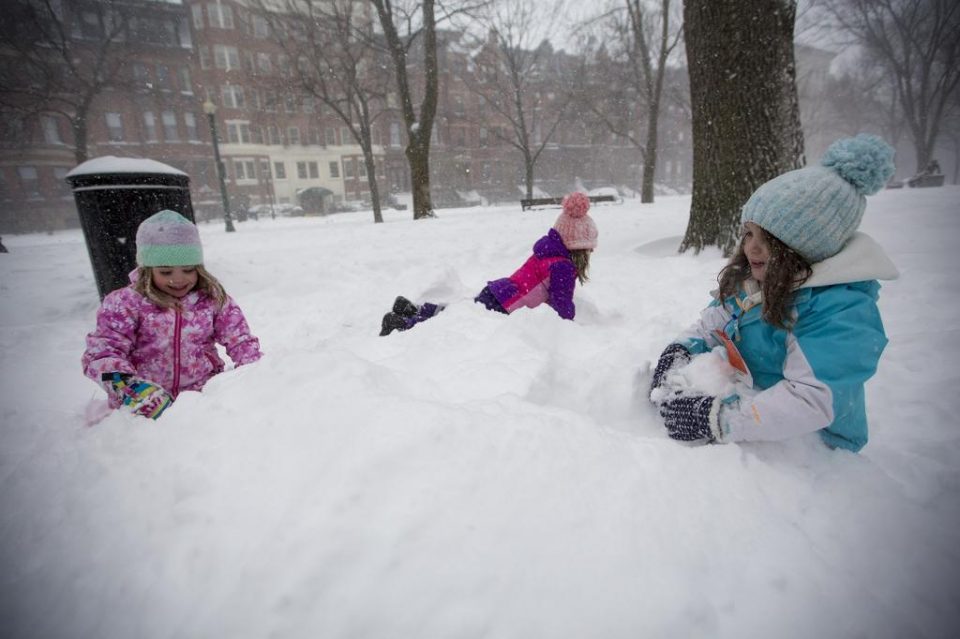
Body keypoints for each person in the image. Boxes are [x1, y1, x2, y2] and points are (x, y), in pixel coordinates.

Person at [649, 134, 898, 452]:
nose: (751, 247)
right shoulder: (758, 283)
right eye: (749, 232)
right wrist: (680, 349)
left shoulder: (839, 312)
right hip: (755, 417)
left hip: (813, 452)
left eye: (769, 238)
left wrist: (717, 418)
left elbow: (812, 400)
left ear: (808, 245)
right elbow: (716, 319)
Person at [82, 209, 262, 419]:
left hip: (203, 400)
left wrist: (256, 376)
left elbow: (240, 340)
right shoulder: (125, 304)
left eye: (188, 270)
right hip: (142, 407)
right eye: (166, 272)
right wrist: (130, 387)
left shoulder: (211, 299)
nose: (178, 279)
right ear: (147, 269)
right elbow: (103, 352)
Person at [379, 191, 598, 336]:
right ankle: (402, 325)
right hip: (505, 305)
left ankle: (412, 310)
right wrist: (573, 331)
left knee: (458, 314)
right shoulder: (562, 267)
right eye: (588, 248)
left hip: (499, 291)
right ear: (578, 247)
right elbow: (562, 308)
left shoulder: (547, 252)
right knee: (458, 326)